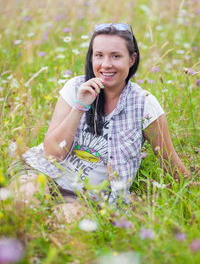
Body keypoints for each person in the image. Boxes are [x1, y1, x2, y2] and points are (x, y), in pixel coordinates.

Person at [9, 23, 191, 221]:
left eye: (115, 56)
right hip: (43, 172)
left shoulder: (144, 104)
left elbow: (171, 164)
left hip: (84, 198)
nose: (106, 64)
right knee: (24, 200)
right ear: (91, 58)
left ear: (132, 59)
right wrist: (80, 106)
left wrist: (192, 197)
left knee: (67, 225)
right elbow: (53, 153)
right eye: (99, 55)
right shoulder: (75, 87)